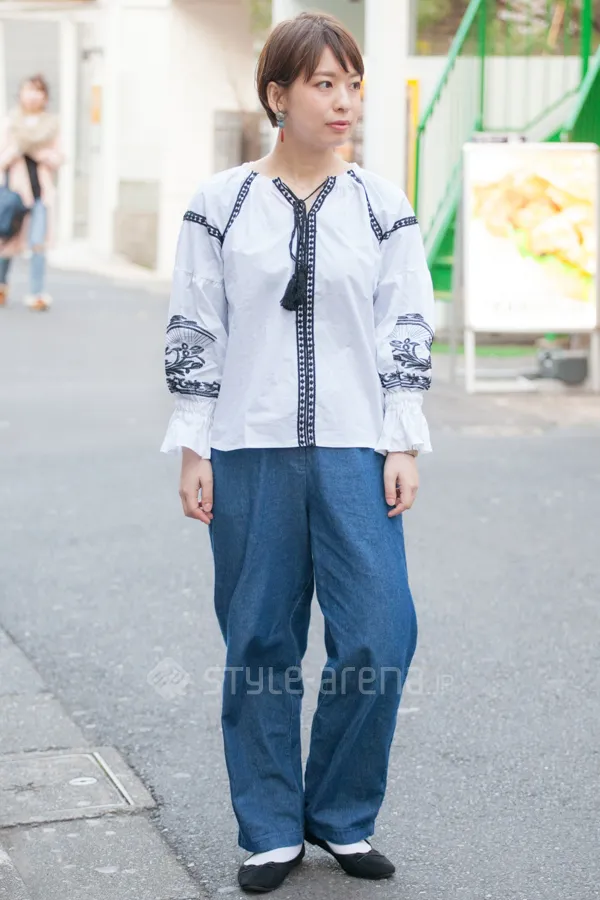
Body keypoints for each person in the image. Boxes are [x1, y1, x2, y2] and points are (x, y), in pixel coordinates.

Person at [161, 12, 434, 894]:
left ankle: (342, 815)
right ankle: (272, 829)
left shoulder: (383, 207)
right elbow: (196, 324)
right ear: (277, 95)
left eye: (352, 83)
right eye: (324, 84)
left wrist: (402, 438)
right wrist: (194, 446)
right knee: (259, 640)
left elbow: (406, 324)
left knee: (381, 633)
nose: (344, 100)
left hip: (356, 449)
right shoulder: (220, 204)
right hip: (248, 449)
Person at [0, 74, 63, 311]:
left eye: (38, 91)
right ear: (21, 94)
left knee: (38, 243)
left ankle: (36, 294)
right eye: (29, 90)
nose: (33, 95)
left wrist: (39, 153)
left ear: (45, 97)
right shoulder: (10, 123)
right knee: (6, 241)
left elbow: (59, 158)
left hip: (40, 194)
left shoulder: (52, 126)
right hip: (15, 194)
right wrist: (17, 150)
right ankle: (1, 285)